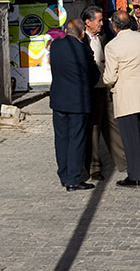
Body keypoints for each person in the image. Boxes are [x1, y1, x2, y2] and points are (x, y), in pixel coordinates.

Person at [103, 10, 140, 187]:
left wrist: (104, 79)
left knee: (130, 137)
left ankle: (135, 175)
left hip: (127, 94)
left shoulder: (112, 46)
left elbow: (110, 77)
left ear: (114, 26)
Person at [50, 19, 100, 191]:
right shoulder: (83, 50)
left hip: (58, 100)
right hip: (78, 101)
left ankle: (63, 174)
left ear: (66, 30)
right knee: (76, 140)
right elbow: (94, 75)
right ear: (82, 33)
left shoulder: (56, 46)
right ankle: (73, 178)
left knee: (61, 138)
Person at [82, 5, 126, 181]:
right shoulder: (82, 39)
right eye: (99, 20)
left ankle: (123, 161)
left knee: (113, 124)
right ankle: (94, 167)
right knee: (94, 128)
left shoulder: (103, 36)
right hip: (92, 89)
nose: (102, 24)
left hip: (106, 85)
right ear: (88, 22)